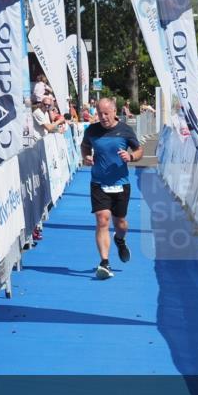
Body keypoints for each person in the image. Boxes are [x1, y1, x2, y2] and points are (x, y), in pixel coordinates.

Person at [81, 98, 143, 280]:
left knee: (120, 223)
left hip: (121, 183)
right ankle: (105, 262)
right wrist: (86, 157)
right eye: (99, 113)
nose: (103, 117)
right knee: (102, 220)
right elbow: (84, 146)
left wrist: (131, 157)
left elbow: (139, 150)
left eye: (106, 113)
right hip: (99, 182)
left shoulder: (125, 130)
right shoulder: (92, 130)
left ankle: (120, 239)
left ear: (115, 112)